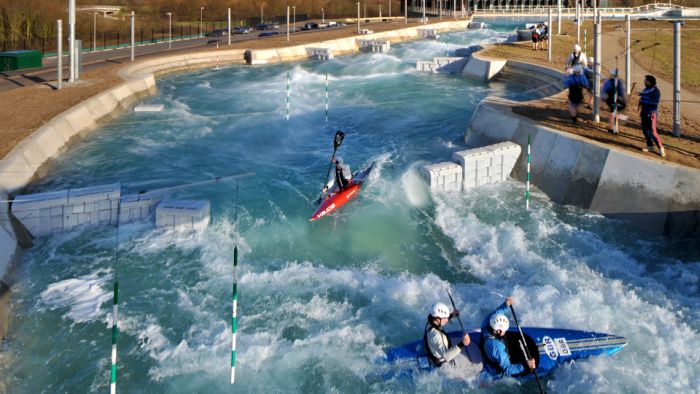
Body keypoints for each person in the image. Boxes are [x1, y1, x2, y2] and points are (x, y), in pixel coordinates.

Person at [480, 297, 536, 378]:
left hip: (487, 344)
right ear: (498, 331)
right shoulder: (498, 348)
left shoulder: (487, 323)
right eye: (504, 330)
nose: (505, 331)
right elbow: (507, 369)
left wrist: (506, 305)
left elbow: (497, 313)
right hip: (495, 370)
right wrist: (525, 365)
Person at [423, 302, 470, 367]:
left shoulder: (431, 320)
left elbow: (441, 320)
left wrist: (451, 315)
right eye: (445, 318)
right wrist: (463, 343)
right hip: (443, 363)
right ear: (437, 319)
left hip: (434, 350)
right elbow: (447, 356)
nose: (447, 320)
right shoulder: (436, 336)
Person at [638, 75, 665, 158]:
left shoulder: (655, 90)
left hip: (651, 113)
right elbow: (644, 96)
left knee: (652, 132)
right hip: (644, 112)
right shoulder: (646, 89)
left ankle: (661, 148)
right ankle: (650, 146)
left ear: (649, 81)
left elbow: (646, 94)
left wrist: (639, 93)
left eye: (645, 80)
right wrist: (641, 102)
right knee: (645, 130)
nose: (644, 81)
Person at [601, 69, 627, 134]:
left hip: (612, 100)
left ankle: (612, 128)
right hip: (618, 101)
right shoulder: (620, 82)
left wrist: (603, 99)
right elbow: (622, 93)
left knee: (613, 114)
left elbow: (603, 92)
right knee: (614, 114)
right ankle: (615, 129)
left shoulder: (608, 82)